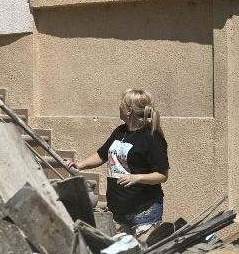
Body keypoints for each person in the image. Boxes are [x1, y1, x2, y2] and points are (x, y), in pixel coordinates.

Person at [64, 89, 169, 235]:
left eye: (121, 104)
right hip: (120, 209)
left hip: (144, 210)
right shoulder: (120, 131)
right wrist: (79, 165)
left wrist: (137, 177)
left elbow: (162, 175)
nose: (119, 107)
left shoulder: (151, 137)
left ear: (129, 110)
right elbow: (102, 155)